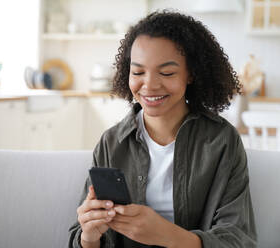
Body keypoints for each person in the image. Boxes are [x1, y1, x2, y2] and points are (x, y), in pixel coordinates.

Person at [68, 10, 257, 248]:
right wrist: (89, 235)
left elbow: (239, 240)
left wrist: (166, 234)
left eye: (167, 72)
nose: (149, 85)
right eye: (137, 72)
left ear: (191, 74)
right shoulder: (112, 142)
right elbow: (80, 238)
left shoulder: (222, 141)